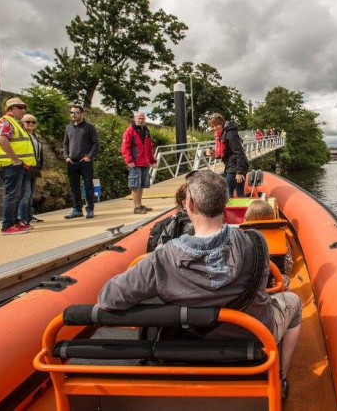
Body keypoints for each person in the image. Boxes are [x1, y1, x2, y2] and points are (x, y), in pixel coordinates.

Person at [97, 170, 301, 400]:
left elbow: (108, 298)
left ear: (189, 203)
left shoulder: (162, 258)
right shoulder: (255, 242)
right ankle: (280, 378)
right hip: (254, 337)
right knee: (294, 302)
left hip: (191, 341)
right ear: (225, 203)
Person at [0, 97, 37, 235]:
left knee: (17, 195)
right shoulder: (6, 122)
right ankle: (7, 225)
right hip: (10, 165)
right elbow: (1, 139)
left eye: (24, 107)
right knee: (12, 195)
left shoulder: (16, 123)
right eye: (19, 107)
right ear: (10, 109)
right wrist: (15, 159)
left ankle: (15, 221)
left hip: (19, 166)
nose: (23, 110)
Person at [245, 200, 294, 290]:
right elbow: (289, 266)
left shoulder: (242, 237)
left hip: (250, 287)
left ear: (248, 218)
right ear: (272, 217)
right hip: (275, 284)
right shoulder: (281, 236)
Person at [63, 104, 100, 219]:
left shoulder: (89, 127)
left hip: (85, 161)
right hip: (71, 162)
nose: (73, 115)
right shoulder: (68, 127)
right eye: (72, 113)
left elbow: (96, 143)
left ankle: (90, 209)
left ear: (82, 114)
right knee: (74, 186)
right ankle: (77, 209)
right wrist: (66, 156)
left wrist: (89, 156)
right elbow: (65, 143)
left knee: (88, 185)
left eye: (76, 113)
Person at [121, 111, 158, 214]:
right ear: (134, 119)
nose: (141, 120)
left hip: (144, 162)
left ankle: (140, 205)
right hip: (135, 162)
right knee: (134, 185)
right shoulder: (130, 131)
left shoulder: (146, 131)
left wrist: (152, 161)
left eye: (142, 118)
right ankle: (137, 207)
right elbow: (125, 147)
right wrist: (129, 160)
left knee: (141, 185)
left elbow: (149, 147)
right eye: (139, 118)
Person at [208, 113, 249, 198]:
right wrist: (214, 155)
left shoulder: (230, 134)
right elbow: (226, 153)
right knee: (239, 192)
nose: (215, 128)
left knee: (228, 193)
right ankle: (241, 210)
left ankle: (228, 210)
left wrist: (239, 172)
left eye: (217, 125)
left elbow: (239, 152)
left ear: (222, 123)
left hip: (236, 167)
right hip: (231, 165)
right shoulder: (222, 134)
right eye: (212, 126)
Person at [18, 114, 44, 225]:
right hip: (24, 167)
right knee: (25, 194)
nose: (31, 124)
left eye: (33, 122)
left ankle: (28, 216)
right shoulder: (21, 136)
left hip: (34, 167)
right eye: (28, 122)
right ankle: (22, 218)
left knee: (31, 194)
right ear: (22, 123)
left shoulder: (35, 136)